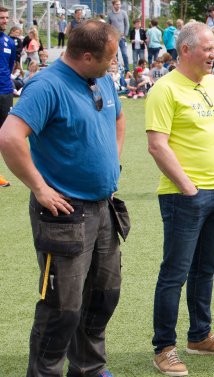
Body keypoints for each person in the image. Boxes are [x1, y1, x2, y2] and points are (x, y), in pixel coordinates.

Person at [0, 19, 126, 376]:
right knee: (62, 309)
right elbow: (9, 137)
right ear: (87, 55)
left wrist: (113, 162)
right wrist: (40, 188)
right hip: (65, 215)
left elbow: (118, 117)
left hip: (104, 209)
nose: (114, 63)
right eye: (110, 57)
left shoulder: (100, 77)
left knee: (103, 296)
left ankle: (88, 368)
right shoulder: (47, 85)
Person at [146, 21, 214, 377]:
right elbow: (157, 145)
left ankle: (200, 336)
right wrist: (188, 186)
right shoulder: (164, 89)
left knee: (207, 268)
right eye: (207, 48)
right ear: (185, 50)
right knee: (175, 273)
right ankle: (164, 348)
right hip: (183, 197)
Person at [0, 7, 14, 187]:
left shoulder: (9, 42)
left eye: (6, 18)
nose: (4, 21)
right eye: (1, 18)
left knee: (4, 134)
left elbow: (9, 67)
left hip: (5, 91)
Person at [107, 0, 129, 72]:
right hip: (113, 38)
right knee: (114, 55)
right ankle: (116, 70)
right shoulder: (110, 14)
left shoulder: (123, 13)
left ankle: (127, 70)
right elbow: (108, 26)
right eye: (117, 4)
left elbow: (127, 24)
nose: (118, 6)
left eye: (119, 4)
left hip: (122, 37)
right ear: (113, 5)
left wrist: (125, 34)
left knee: (125, 54)